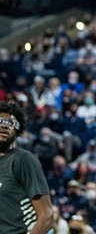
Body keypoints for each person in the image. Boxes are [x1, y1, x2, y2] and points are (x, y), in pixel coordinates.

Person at [0, 100, 54, 233]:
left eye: (11, 124)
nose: (4, 126)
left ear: (17, 132)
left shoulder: (23, 159)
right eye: (0, 121)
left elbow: (46, 216)